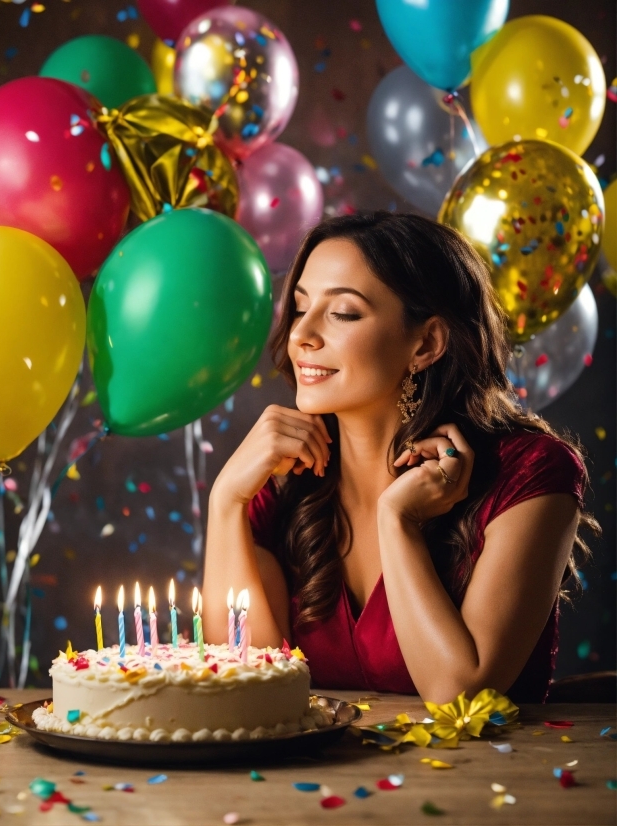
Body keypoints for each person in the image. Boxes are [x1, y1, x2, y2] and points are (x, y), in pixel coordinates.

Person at [203, 211, 600, 704]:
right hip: (313, 781)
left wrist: (398, 521)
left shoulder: (531, 473)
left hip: (485, 780)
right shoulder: (281, 482)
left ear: (427, 343)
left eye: (343, 313)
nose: (301, 335)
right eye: (300, 308)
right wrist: (225, 501)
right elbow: (245, 685)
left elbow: (462, 695)